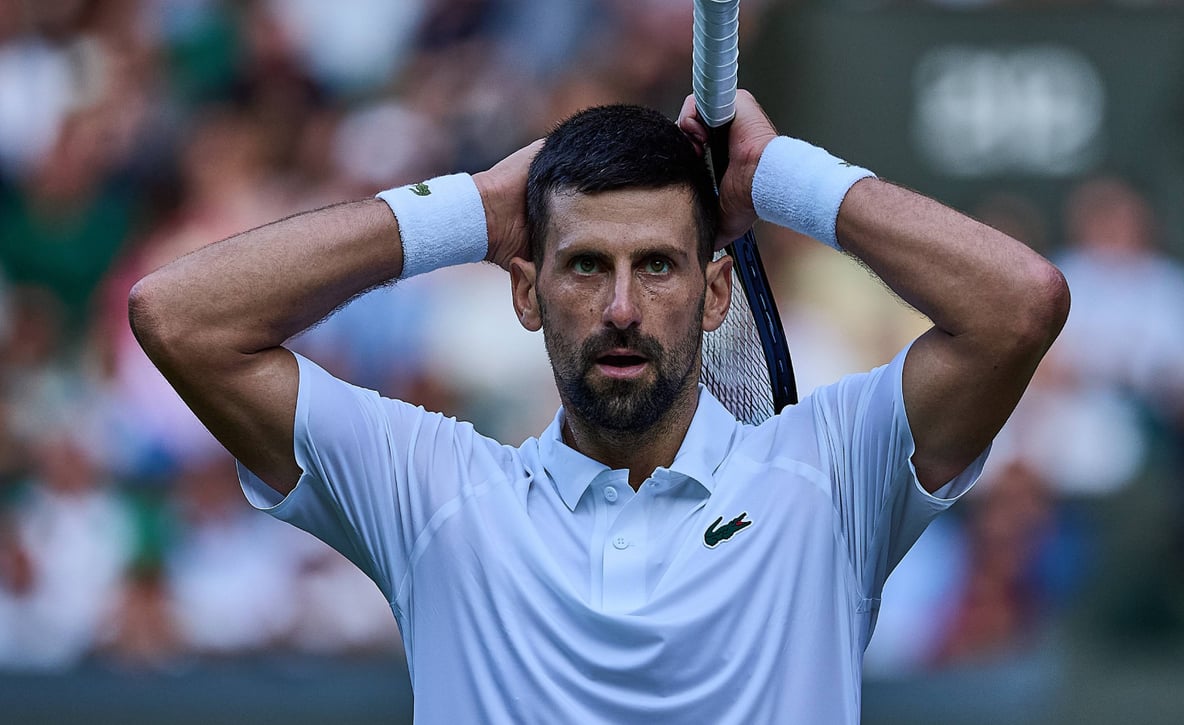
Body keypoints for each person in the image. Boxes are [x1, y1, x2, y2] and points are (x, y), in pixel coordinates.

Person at [129, 90, 1069, 723]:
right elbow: (177, 316)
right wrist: (479, 208)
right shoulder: (433, 492)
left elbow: (1019, 305)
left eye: (656, 264)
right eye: (586, 265)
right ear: (526, 291)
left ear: (714, 294)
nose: (622, 306)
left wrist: (780, 176)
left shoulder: (826, 475)